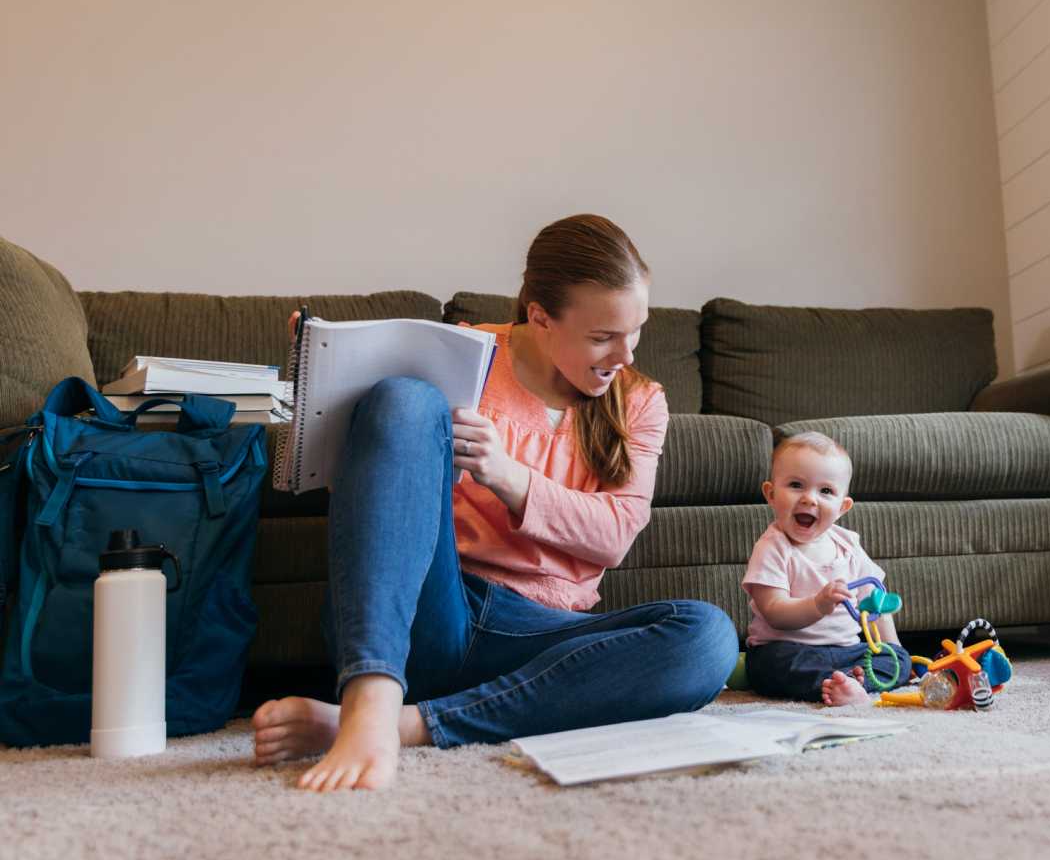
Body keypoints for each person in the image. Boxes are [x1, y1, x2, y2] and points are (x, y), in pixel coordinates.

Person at [251, 214, 738, 791]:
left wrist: (508, 476)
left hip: (537, 644)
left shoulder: (639, 401)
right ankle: (371, 696)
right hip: (430, 614)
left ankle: (401, 725)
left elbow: (614, 535)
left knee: (707, 637)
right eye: (603, 337)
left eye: (637, 330)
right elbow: (373, 510)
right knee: (404, 400)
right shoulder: (460, 357)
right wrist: (331, 390)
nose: (625, 355)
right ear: (539, 317)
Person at [741, 432, 911, 706]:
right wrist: (817, 604)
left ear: (842, 507)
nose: (810, 499)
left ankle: (854, 683)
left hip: (846, 650)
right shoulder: (772, 547)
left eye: (826, 491)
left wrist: (892, 649)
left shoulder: (848, 544)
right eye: (796, 485)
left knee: (899, 660)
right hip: (789, 650)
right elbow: (774, 612)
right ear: (771, 494)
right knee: (767, 668)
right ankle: (837, 684)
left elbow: (875, 604)